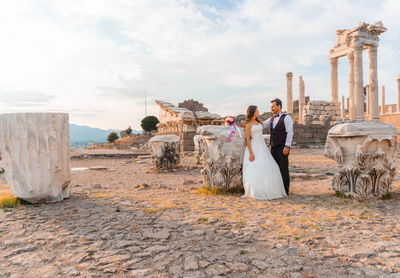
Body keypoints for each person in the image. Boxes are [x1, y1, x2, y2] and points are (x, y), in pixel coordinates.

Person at [242, 105, 287, 200]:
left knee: (272, 166)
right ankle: (256, 190)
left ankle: (268, 190)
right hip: (254, 147)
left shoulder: (259, 122)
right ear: (253, 112)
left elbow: (270, 121)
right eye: (257, 111)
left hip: (262, 147)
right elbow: (248, 140)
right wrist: (251, 153)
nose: (258, 112)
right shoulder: (248, 124)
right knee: (256, 167)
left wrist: (277, 116)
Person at [263, 98, 293, 195]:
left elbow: (290, 133)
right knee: (274, 169)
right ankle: (277, 189)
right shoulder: (271, 119)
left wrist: (287, 146)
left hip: (282, 147)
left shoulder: (287, 118)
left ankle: (285, 190)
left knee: (283, 169)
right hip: (273, 147)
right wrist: (249, 123)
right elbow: (262, 125)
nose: (271, 108)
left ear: (279, 106)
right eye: (271, 106)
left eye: (273, 106)